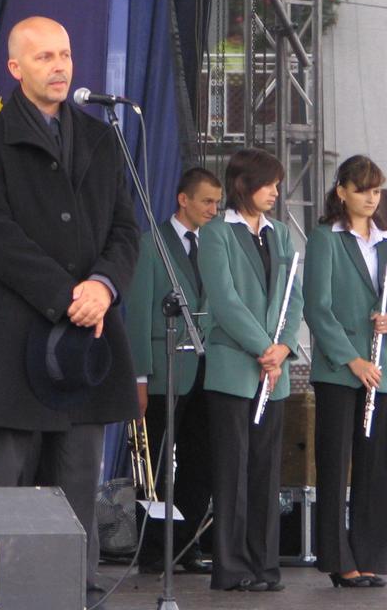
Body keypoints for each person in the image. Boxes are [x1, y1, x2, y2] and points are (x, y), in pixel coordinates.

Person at [0, 16, 139, 594]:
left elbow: (125, 229)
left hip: (86, 337)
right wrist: (66, 297)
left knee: (78, 473)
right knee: (3, 472)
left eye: (65, 54)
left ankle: (74, 590)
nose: (60, 67)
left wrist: (103, 286)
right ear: (15, 68)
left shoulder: (102, 138)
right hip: (17, 333)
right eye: (44, 57)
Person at [303, 155, 387, 588]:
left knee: (373, 466)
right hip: (340, 369)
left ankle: (368, 556)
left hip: (381, 368)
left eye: (376, 190)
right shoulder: (325, 238)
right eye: (362, 189)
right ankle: (337, 558)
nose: (370, 198)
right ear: (342, 192)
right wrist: (353, 359)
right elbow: (318, 307)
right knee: (335, 464)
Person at [197, 148, 303, 593]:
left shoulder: (280, 235)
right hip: (234, 368)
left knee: (265, 472)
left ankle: (264, 566)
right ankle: (232, 567)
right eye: (268, 184)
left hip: (273, 371)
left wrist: (284, 347)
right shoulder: (216, 233)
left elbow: (294, 295)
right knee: (232, 471)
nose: (276, 192)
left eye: (277, 185)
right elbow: (224, 300)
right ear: (244, 184)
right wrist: (264, 348)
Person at [126, 167, 222, 575]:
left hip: (208, 371)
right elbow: (136, 314)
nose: (213, 210)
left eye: (217, 203)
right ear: (183, 199)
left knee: (202, 462)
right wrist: (139, 377)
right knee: (158, 465)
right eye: (207, 201)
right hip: (163, 371)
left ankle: (185, 545)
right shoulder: (151, 244)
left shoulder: (216, 245)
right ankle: (153, 549)